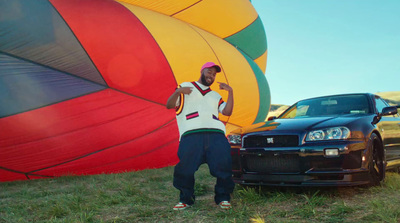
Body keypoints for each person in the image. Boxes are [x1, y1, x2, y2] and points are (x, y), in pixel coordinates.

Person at [166, 62, 235, 210]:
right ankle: (186, 199)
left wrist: (231, 92)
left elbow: (227, 112)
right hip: (191, 134)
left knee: (224, 165)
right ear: (202, 70)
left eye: (214, 74)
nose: (211, 76)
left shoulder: (216, 95)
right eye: (209, 72)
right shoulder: (185, 86)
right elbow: (169, 105)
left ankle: (223, 197)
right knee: (185, 168)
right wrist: (178, 92)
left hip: (216, 134)